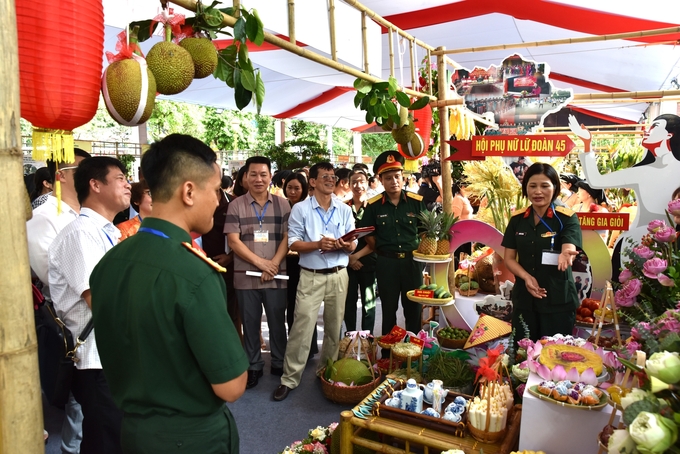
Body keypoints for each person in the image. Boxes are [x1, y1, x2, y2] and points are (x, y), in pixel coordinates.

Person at [89, 134, 248, 453]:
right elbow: (231, 386)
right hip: (191, 437)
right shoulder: (194, 273)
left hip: (133, 431)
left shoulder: (109, 262)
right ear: (189, 191)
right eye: (215, 190)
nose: (219, 200)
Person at [48, 156, 131, 454]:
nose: (128, 183)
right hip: (96, 358)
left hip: (112, 354)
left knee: (114, 435)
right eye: (120, 177)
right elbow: (101, 299)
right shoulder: (82, 233)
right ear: (95, 185)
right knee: (106, 439)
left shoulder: (105, 230)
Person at [273, 162, 357, 402]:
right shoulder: (301, 209)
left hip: (340, 274)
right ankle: (289, 379)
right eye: (325, 177)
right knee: (302, 327)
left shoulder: (344, 209)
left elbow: (353, 242)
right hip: (311, 275)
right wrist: (318, 245)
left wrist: (347, 245)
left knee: (333, 328)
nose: (331, 180)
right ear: (312, 181)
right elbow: (294, 244)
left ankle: (325, 372)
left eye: (333, 176)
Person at [26, 149, 91, 454]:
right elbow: (49, 274)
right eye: (82, 170)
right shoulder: (44, 217)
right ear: (60, 176)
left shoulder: (85, 214)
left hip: (92, 312)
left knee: (91, 394)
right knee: (77, 395)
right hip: (68, 316)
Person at [225, 156, 290, 389]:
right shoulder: (236, 205)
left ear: (271, 177)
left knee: (276, 321)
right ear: (245, 177)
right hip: (246, 275)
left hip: (276, 273)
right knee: (250, 323)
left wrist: (272, 264)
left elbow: (287, 238)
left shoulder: (283, 205)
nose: (258, 179)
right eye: (253, 174)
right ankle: (253, 366)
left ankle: (278, 362)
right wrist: (262, 264)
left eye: (263, 174)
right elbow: (234, 241)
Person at [502, 163, 582, 342]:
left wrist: (566, 254)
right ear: (526, 189)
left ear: (555, 188)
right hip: (525, 300)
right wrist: (527, 277)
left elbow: (569, 247)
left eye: (545, 186)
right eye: (533, 186)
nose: (538, 191)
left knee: (554, 357)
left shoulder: (567, 218)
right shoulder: (517, 220)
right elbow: (509, 258)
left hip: (557, 302)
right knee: (523, 353)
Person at [360, 151, 427, 336]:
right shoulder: (374, 206)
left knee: (413, 309)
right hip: (386, 264)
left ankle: (414, 353)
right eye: (388, 178)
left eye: (397, 176)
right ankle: (388, 355)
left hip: (411, 264)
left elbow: (424, 233)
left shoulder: (416, 202)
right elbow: (368, 235)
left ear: (403, 177)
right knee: (388, 310)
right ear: (381, 180)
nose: (394, 181)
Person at [282, 172, 319, 356]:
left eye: (297, 188)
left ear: (304, 189)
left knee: (306, 307)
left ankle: (310, 348)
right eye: (290, 187)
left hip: (305, 261)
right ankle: (294, 347)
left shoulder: (309, 208)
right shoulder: (281, 207)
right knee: (291, 306)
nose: (293, 191)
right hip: (285, 263)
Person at [344, 169, 377, 334]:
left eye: (361, 181)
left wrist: (355, 257)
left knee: (369, 303)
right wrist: (350, 258)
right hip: (346, 263)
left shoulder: (374, 207)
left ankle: (367, 340)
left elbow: (376, 240)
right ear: (348, 185)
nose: (358, 185)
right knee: (348, 303)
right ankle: (349, 339)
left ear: (368, 182)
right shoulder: (343, 207)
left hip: (369, 262)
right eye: (354, 182)